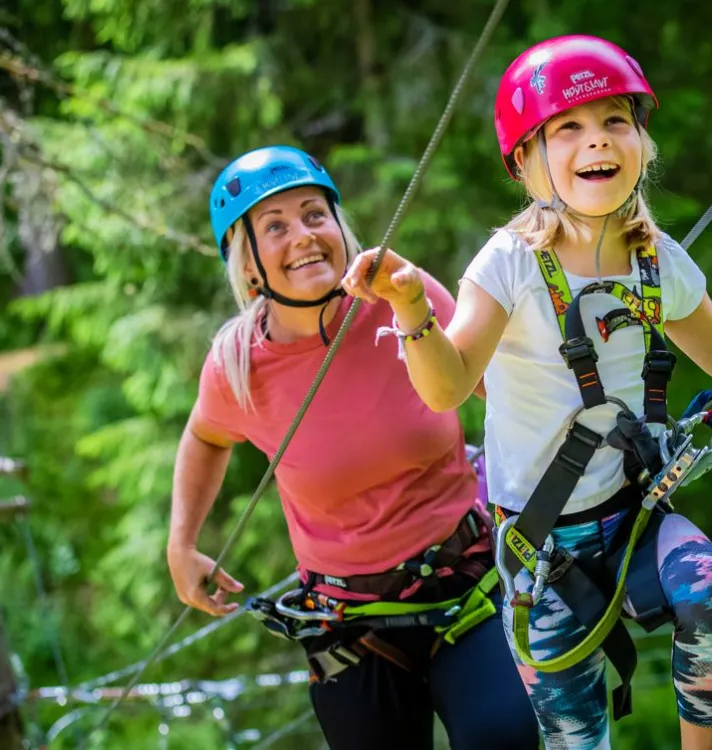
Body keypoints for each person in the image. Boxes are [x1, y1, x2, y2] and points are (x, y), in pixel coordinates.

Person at [342, 35, 712, 750]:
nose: (596, 139)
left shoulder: (656, 260)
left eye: (614, 122)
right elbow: (448, 386)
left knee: (709, 598)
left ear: (641, 146)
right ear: (525, 161)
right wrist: (411, 305)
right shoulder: (509, 264)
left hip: (634, 520)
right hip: (542, 545)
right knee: (577, 737)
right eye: (568, 127)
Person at [166, 145, 539, 750]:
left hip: (467, 585)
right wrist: (182, 543)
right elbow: (205, 435)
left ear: (340, 227)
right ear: (249, 264)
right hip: (350, 625)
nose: (303, 236)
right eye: (275, 226)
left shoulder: (403, 297)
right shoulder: (238, 365)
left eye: (315, 215)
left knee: (505, 736)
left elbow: (505, 388)